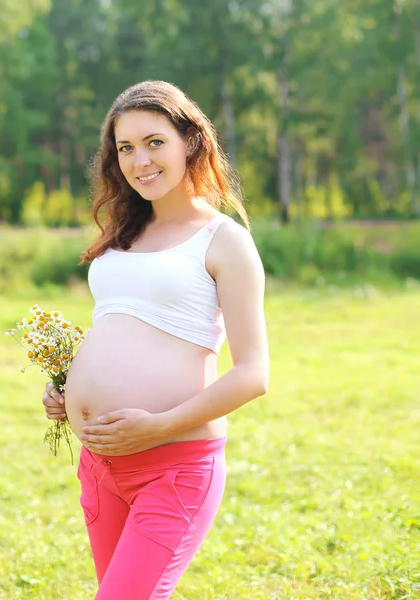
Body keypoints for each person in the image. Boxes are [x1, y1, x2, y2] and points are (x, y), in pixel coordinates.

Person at [42, 80, 269, 600]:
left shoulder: (224, 242)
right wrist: (69, 388)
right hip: (101, 466)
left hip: (175, 468)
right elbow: (121, 325)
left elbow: (254, 374)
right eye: (125, 148)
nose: (139, 160)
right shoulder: (122, 237)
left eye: (154, 142)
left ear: (190, 140)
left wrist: (157, 426)